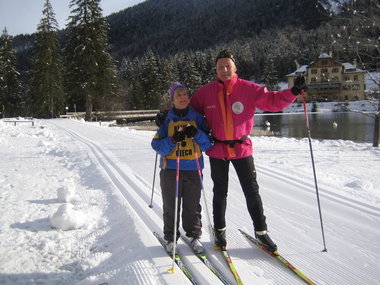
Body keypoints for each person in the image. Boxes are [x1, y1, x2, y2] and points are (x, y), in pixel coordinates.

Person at [189, 50, 307, 252]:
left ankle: (261, 232)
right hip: (217, 149)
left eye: (228, 66)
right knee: (220, 192)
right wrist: (169, 116)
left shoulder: (249, 89)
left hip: (242, 149)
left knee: (251, 192)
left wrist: (293, 91)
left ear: (235, 68)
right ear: (216, 70)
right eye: (220, 67)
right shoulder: (205, 92)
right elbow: (188, 111)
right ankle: (219, 231)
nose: (224, 70)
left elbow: (273, 101)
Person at [151, 82, 212, 254]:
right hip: (171, 169)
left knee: (192, 205)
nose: (183, 97)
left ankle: (194, 235)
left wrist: (197, 134)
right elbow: (156, 145)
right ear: (172, 100)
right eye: (178, 95)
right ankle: (170, 238)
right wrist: (172, 140)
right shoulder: (166, 119)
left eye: (185, 94)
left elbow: (208, 145)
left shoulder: (197, 117)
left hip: (193, 169)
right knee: (171, 205)